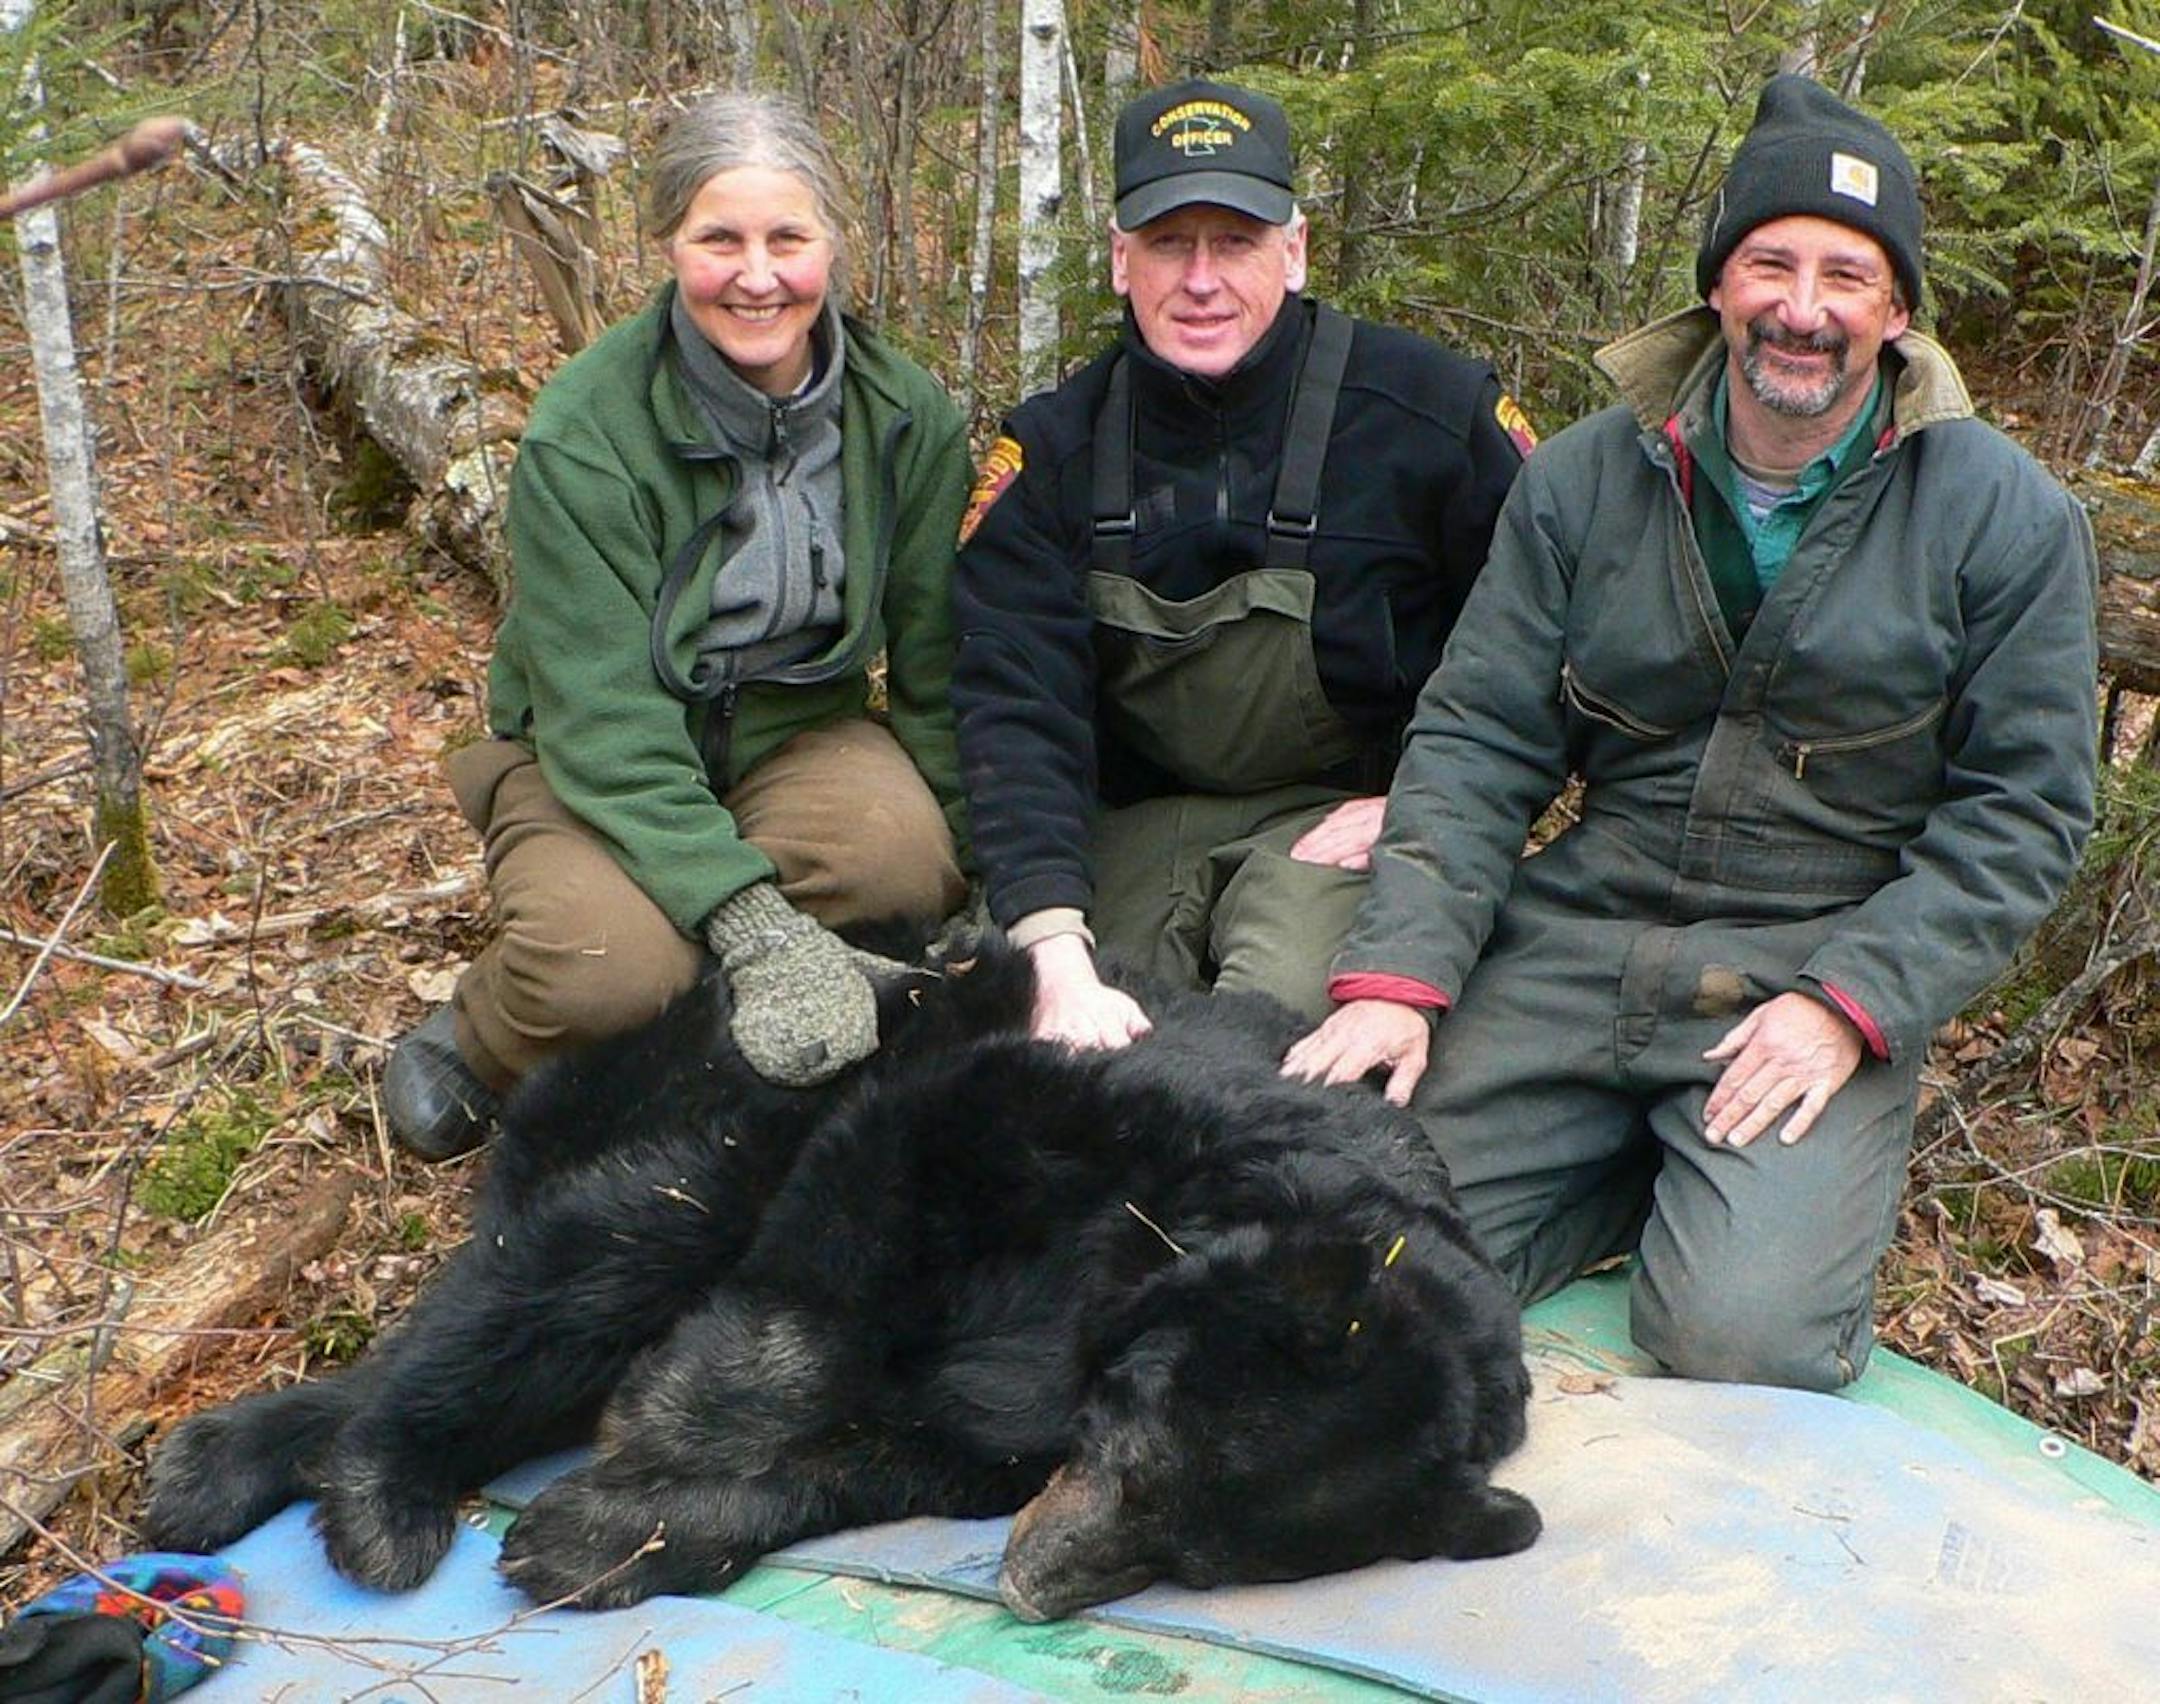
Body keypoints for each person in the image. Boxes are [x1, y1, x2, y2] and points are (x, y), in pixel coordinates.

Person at [1284, 75, 2100, 1392]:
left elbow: (2027, 814)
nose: (1802, 307)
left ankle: (1715, 1192)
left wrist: (1851, 1007)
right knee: (1342, 1251)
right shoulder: (1584, 476)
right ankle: (1637, 1169)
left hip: (1808, 958)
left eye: (1848, 275)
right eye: (1769, 262)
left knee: (1739, 1340)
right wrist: (1399, 979)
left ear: (1897, 313)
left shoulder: (2004, 517)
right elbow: (1483, 734)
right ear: (1717, 285)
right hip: (1581, 936)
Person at [383, 92, 971, 1161]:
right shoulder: (587, 429)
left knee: (902, 871)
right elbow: (600, 711)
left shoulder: (904, 419)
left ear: (833, 244)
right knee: (606, 972)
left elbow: (935, 661)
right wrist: (752, 923)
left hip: (797, 727)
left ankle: (704, 968)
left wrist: (977, 866)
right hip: (591, 749)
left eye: (788, 238)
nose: (759, 276)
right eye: (719, 240)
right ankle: (483, 1035)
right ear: (668, 246)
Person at [952, 77, 1531, 1050]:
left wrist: (1429, 803)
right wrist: (1051, 949)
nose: (1203, 280)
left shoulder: (1435, 417)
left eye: (1237, 242)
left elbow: (1545, 647)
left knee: (1261, 1044)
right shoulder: (1051, 453)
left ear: (1295, 252)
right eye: (1171, 244)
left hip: (1343, 822)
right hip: (1128, 824)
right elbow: (1015, 712)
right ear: (1119, 260)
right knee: (1041, 1046)